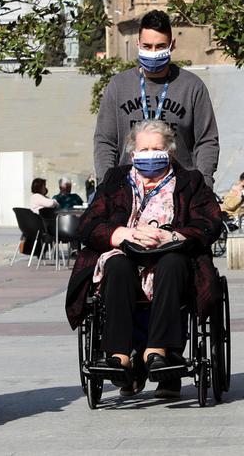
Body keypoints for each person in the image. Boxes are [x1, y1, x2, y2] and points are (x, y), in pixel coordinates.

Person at [66, 120, 223, 398]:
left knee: (173, 264)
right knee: (117, 265)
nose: (150, 154)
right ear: (132, 153)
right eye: (144, 149)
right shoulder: (115, 180)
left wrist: (171, 236)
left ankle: (158, 352)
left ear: (170, 152)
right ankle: (119, 355)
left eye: (157, 148)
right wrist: (122, 233)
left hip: (171, 256)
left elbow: (209, 223)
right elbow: (88, 225)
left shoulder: (190, 181)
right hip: (125, 253)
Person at [94, 10, 220, 187]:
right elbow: (105, 141)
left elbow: (206, 141)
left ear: (172, 45)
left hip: (180, 190)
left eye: (160, 46)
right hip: (129, 190)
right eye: (147, 46)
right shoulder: (118, 86)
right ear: (138, 44)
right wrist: (107, 184)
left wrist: (203, 184)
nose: (153, 52)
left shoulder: (192, 87)